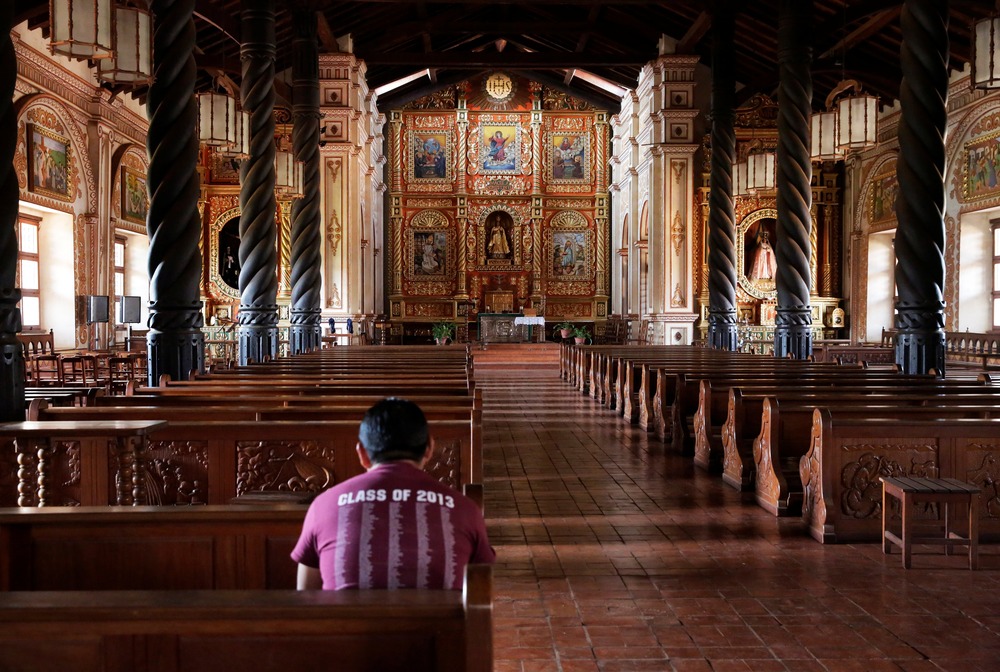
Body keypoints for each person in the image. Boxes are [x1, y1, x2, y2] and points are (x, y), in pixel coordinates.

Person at [292, 398, 495, 590]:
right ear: (429, 449)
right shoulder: (465, 509)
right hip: (437, 628)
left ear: (362, 453)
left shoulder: (324, 506)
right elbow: (481, 582)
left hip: (345, 627)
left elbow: (306, 594)